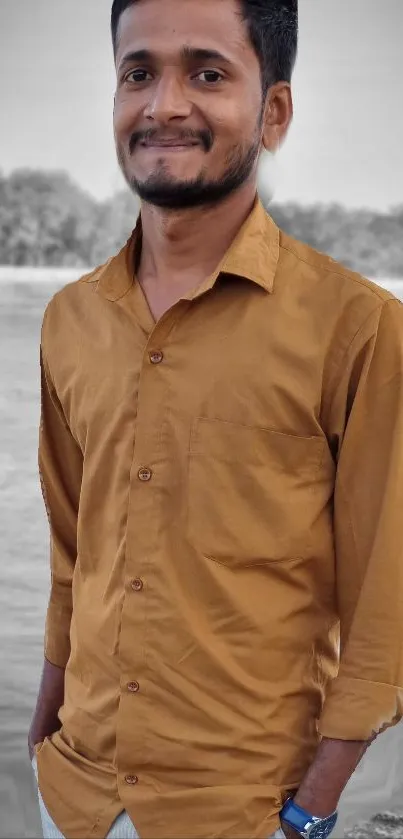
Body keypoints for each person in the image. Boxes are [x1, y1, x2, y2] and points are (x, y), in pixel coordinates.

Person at [28, 0, 403, 837]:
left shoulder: (358, 326)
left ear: (273, 111)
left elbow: (386, 605)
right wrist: (42, 736)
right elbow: (70, 555)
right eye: (137, 73)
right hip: (75, 795)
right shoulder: (69, 320)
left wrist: (309, 812)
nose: (162, 104)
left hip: (242, 812)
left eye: (206, 72)